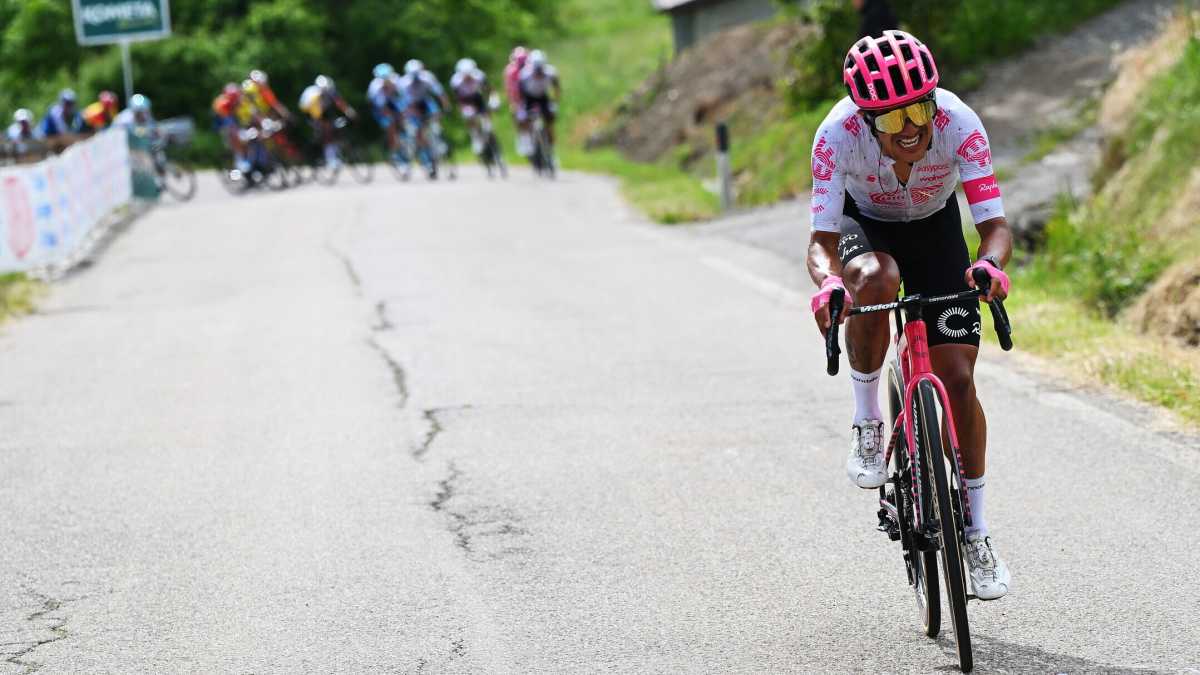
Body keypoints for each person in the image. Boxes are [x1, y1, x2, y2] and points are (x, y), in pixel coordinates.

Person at [806, 30, 1012, 600]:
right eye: (893, 120)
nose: (912, 128)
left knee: (961, 382)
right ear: (866, 121)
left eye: (920, 109)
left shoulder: (960, 123)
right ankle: (869, 421)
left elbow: (993, 227)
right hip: (865, 227)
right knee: (877, 279)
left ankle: (975, 531)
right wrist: (827, 283)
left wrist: (990, 266)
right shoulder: (836, 136)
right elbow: (820, 241)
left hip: (936, 229)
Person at [300, 75, 357, 168]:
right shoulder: (314, 96)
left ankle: (336, 151)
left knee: (334, 126)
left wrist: (349, 111)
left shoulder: (330, 90)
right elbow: (316, 115)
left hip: (323, 110)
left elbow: (339, 102)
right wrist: (322, 124)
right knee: (326, 131)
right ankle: (329, 158)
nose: (327, 92)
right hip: (310, 113)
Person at [517, 49, 560, 149]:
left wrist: (555, 103)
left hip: (542, 97)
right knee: (524, 119)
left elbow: (557, 88)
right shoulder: (524, 75)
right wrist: (521, 106)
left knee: (550, 120)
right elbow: (520, 92)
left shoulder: (551, 72)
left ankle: (552, 148)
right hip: (529, 97)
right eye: (536, 69)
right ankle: (528, 141)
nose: (539, 72)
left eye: (540, 68)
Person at [450, 58, 493, 156]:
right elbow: (457, 98)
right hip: (465, 100)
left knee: (486, 113)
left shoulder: (479, 75)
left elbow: (488, 89)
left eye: (469, 74)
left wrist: (492, 100)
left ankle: (488, 130)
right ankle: (475, 137)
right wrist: (462, 108)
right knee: (469, 116)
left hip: (477, 97)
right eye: (465, 75)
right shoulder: (456, 81)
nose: (468, 77)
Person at [367, 62, 408, 164]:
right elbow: (380, 107)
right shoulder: (375, 88)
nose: (386, 82)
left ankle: (405, 142)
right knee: (391, 126)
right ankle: (393, 151)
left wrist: (405, 113)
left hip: (393, 103)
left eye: (387, 79)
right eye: (383, 80)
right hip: (379, 109)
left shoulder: (396, 80)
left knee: (404, 117)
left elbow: (405, 97)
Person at [213, 82, 251, 173]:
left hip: (235, 122)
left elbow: (250, 114)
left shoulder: (240, 100)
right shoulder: (222, 104)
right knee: (235, 138)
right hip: (224, 126)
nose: (236, 101)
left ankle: (249, 160)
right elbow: (229, 124)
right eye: (234, 99)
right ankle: (239, 160)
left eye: (237, 98)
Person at [504, 47, 529, 153]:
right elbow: (510, 89)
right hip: (518, 97)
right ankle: (522, 138)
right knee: (517, 116)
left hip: (530, 95)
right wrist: (513, 103)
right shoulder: (511, 71)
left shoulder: (530, 67)